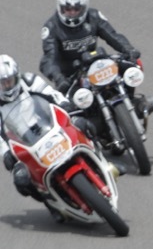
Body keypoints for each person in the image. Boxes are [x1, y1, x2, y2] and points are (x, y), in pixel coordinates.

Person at [0, 54, 98, 220]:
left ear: (17, 76)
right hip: (25, 143)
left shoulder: (29, 81)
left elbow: (51, 94)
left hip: (49, 125)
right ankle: (50, 202)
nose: (7, 86)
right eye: (2, 83)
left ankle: (99, 157)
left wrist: (65, 105)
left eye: (10, 81)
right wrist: (6, 154)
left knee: (83, 124)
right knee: (21, 180)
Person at [39, 0, 153, 115]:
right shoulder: (51, 27)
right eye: (67, 9)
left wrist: (129, 50)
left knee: (133, 64)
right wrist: (58, 78)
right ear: (60, 8)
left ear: (84, 8)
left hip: (94, 63)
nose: (72, 13)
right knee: (70, 112)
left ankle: (132, 101)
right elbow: (49, 59)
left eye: (76, 9)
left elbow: (112, 35)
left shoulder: (94, 16)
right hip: (71, 77)